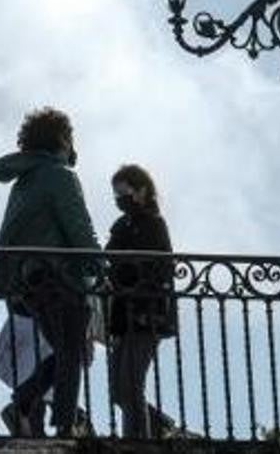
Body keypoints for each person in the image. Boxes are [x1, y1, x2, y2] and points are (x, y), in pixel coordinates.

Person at [0, 107, 101, 438]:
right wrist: (99, 268)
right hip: (60, 276)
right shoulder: (60, 176)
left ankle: (26, 404)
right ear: (63, 140)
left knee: (66, 351)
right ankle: (64, 425)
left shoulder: (24, 180)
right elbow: (79, 229)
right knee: (72, 351)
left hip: (29, 279)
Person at [105, 164, 177, 439]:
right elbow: (109, 258)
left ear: (142, 190)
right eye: (116, 194)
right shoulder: (122, 225)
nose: (119, 199)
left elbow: (162, 267)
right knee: (119, 389)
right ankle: (153, 428)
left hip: (147, 313)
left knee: (130, 385)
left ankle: (139, 441)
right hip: (123, 314)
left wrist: (129, 272)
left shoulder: (153, 224)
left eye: (124, 192)